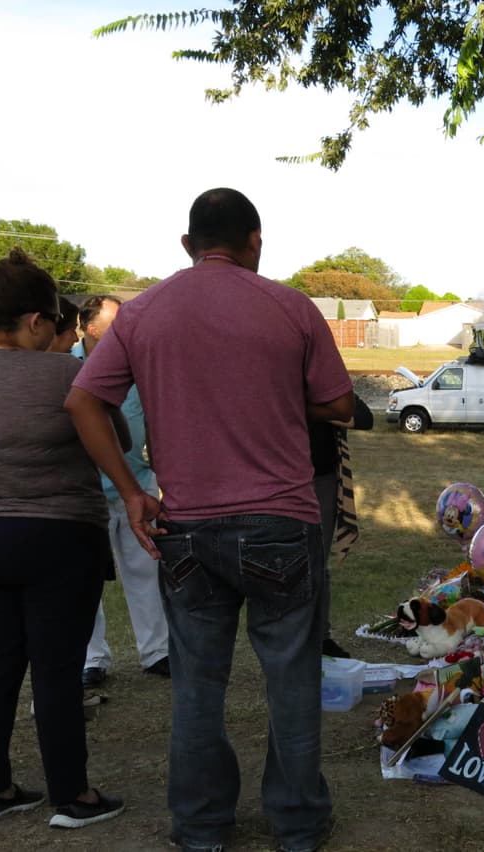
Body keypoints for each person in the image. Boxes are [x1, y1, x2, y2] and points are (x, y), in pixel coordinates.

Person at [65, 188, 354, 852]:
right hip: (282, 523)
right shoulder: (291, 307)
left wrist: (131, 492)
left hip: (188, 527)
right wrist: (277, 395)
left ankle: (200, 827)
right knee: (291, 680)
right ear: (256, 241)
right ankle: (299, 825)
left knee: (197, 686)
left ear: (187, 244)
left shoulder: (143, 313)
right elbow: (340, 405)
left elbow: (83, 401)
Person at [0, 249, 126, 829]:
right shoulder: (66, 375)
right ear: (37, 320)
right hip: (55, 534)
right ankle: (73, 795)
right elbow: (116, 435)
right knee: (56, 668)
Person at [74, 295, 170, 687]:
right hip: (85, 493)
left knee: (147, 570)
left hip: (138, 485)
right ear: (92, 329)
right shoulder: (67, 366)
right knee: (85, 581)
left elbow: (157, 423)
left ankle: (157, 652)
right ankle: (91, 660)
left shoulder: (137, 364)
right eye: (117, 321)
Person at [310, 396, 373, 659]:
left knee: (318, 563)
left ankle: (321, 637)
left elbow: (364, 418)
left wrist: (316, 411)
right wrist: (330, 413)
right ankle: (296, 639)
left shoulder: (326, 385)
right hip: (283, 480)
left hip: (323, 479)